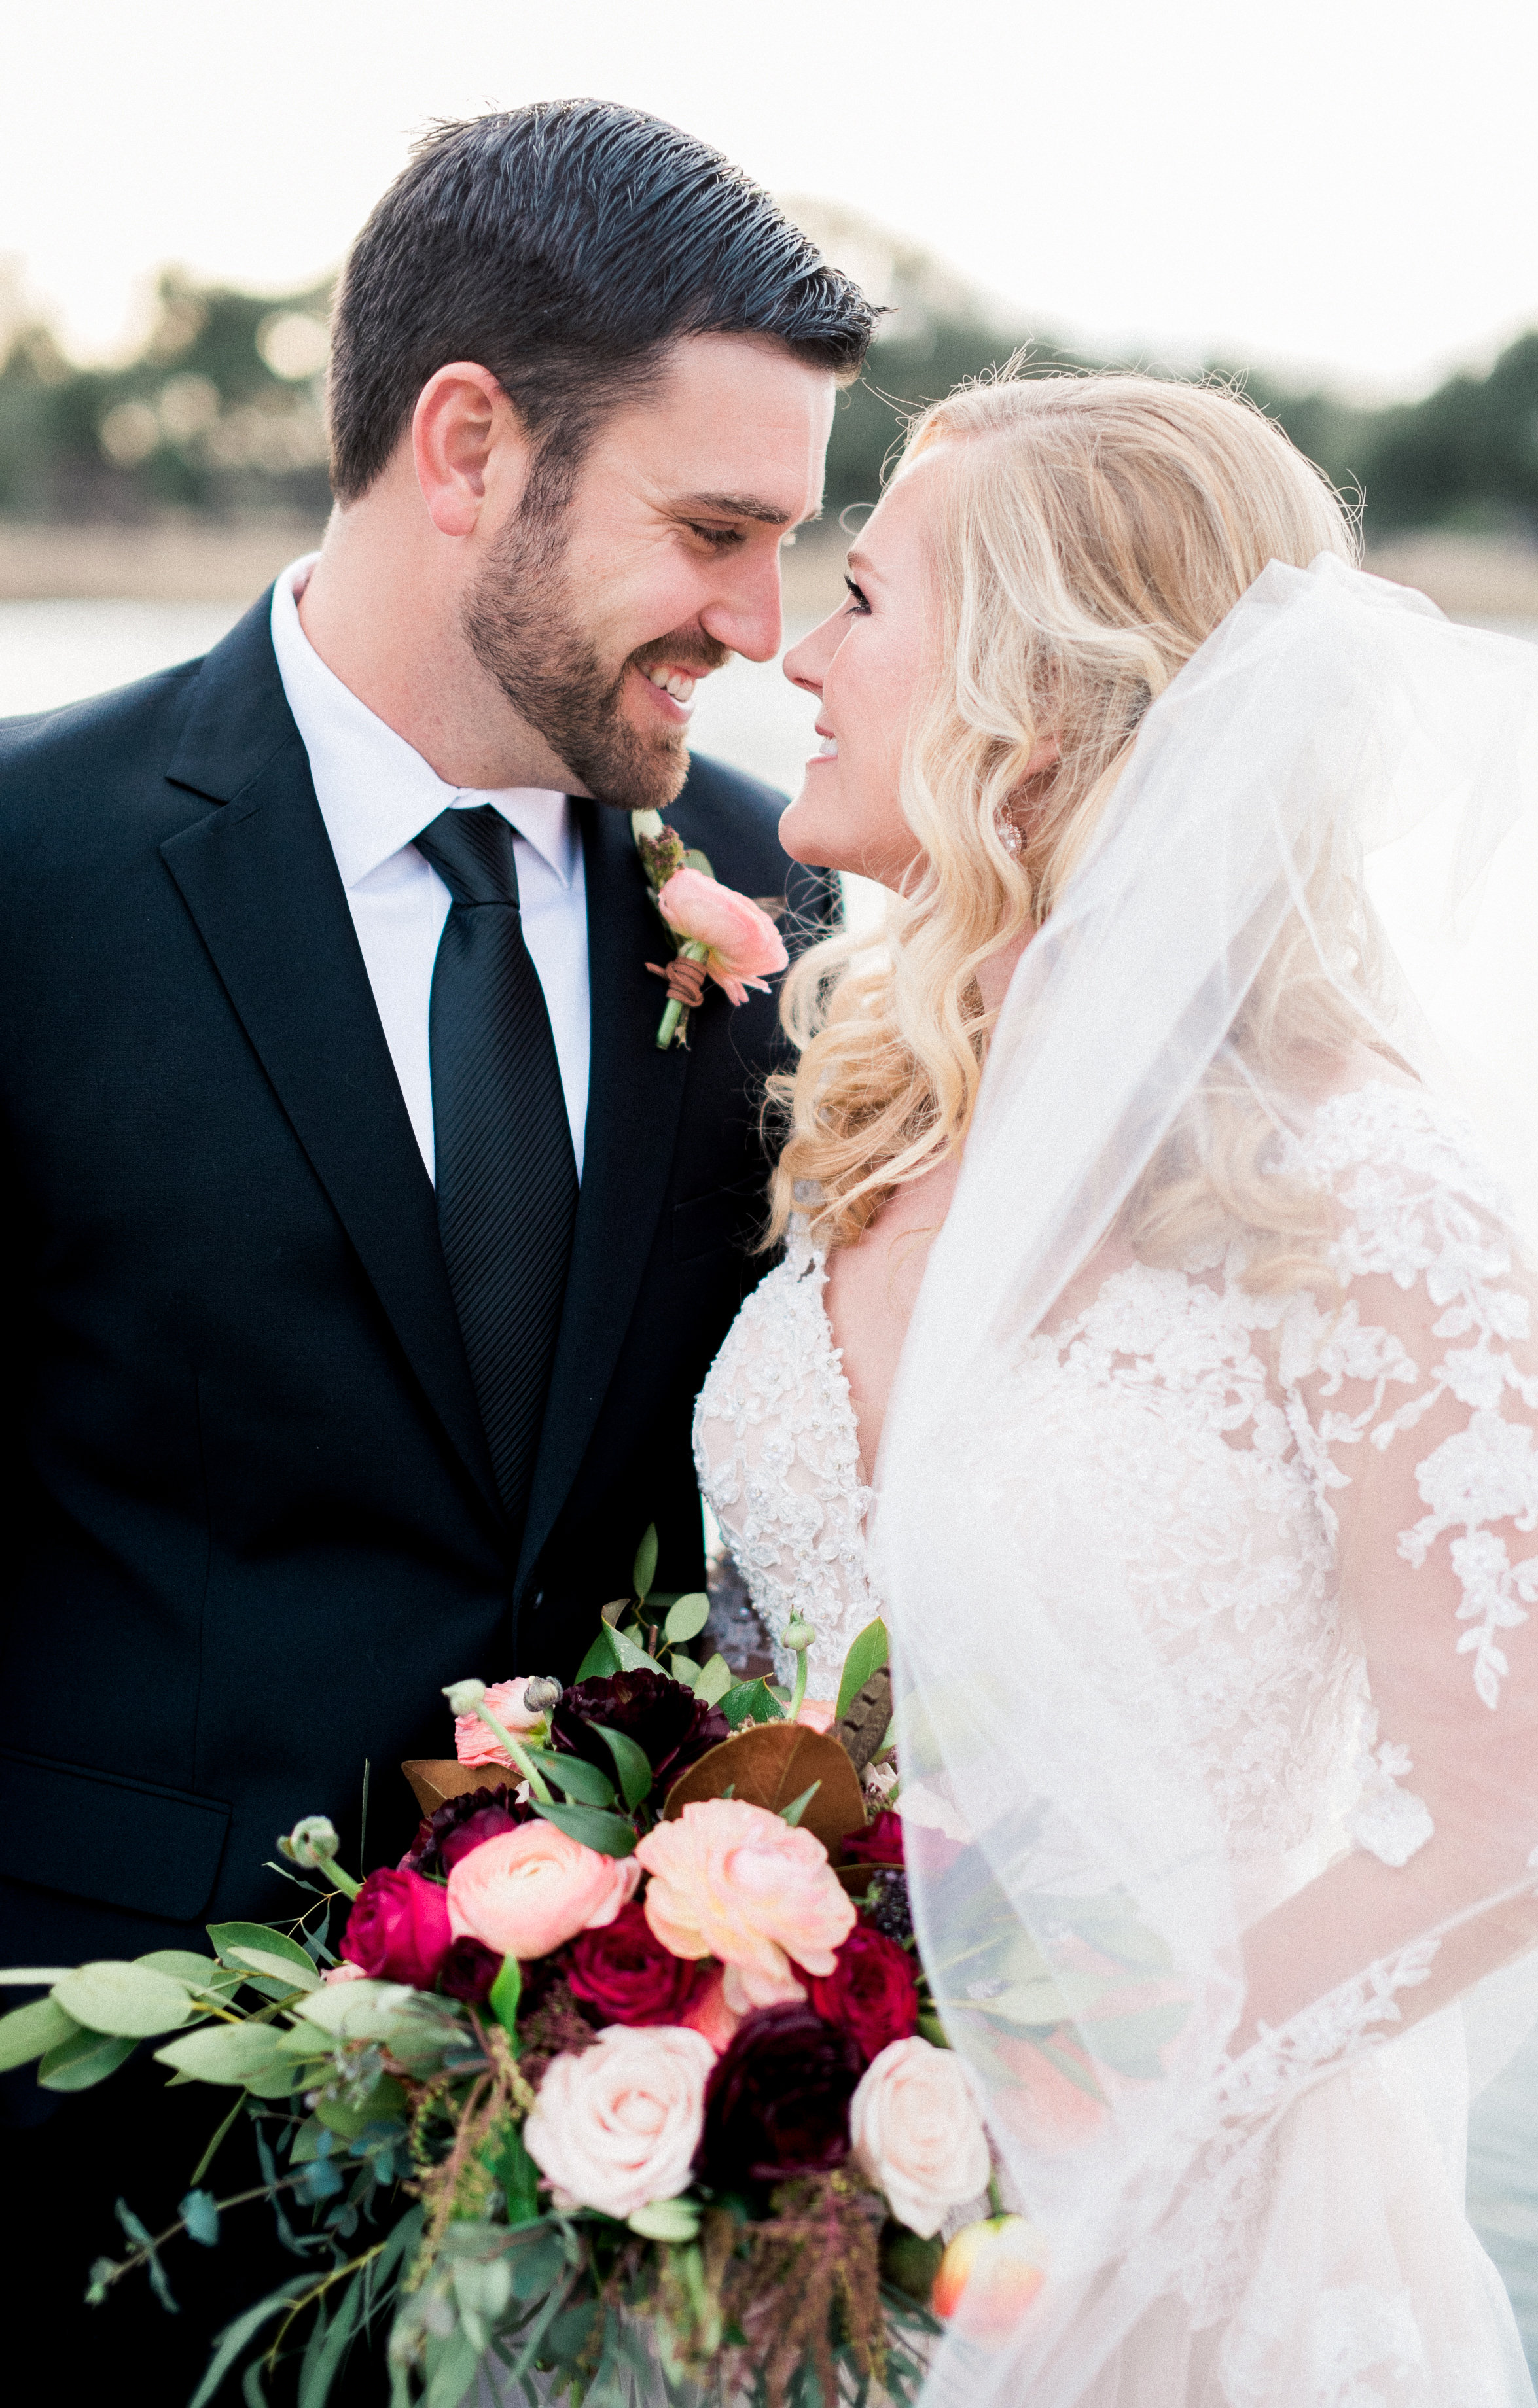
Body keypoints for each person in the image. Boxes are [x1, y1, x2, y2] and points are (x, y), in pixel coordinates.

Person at [0, 99, 871, 2381]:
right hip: (71, 2152)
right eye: (714, 531)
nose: (763, 631)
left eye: (795, 548)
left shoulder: (791, 907)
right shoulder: (26, 872)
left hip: (605, 2188)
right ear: (467, 444)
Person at [695, 373, 1538, 2403]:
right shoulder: (878, 1109)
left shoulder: (1364, 1194)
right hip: (789, 2204)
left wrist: (1062, 2134)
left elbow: (1499, 1826)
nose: (797, 654)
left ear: (1037, 702)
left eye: (859, 600)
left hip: (1189, 2273)